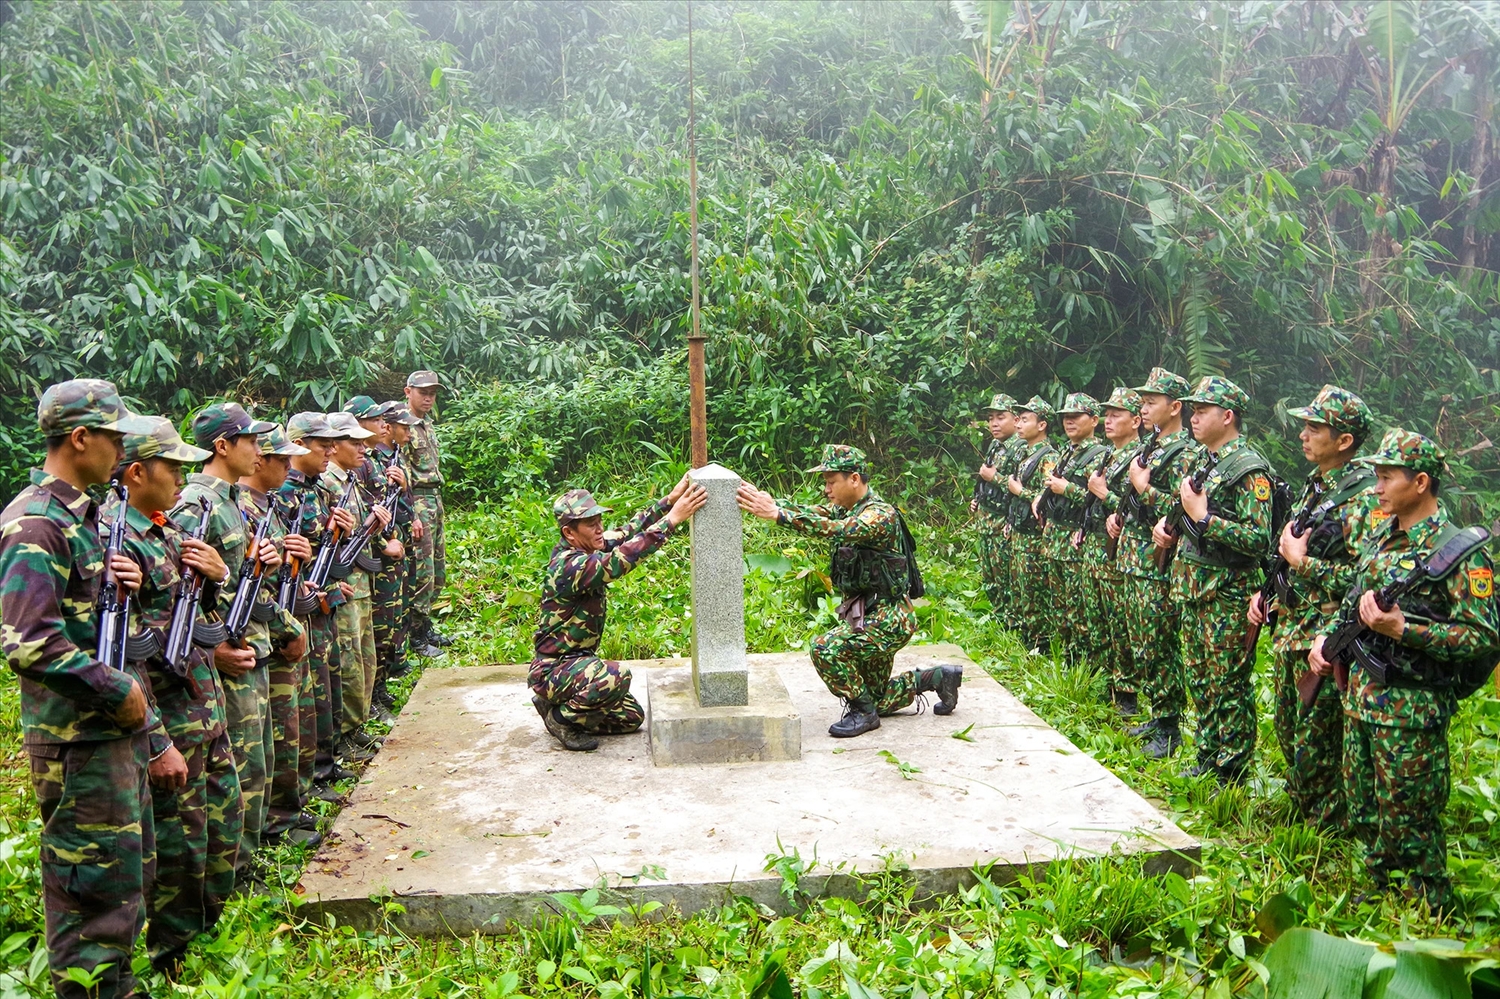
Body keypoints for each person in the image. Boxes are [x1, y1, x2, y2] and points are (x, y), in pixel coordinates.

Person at [0, 379, 156, 999]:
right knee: (88, 889)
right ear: (80, 437)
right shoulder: (36, 523)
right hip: (77, 740)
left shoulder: (84, 517)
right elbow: (28, 641)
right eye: (113, 436)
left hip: (102, 734)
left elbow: (81, 616)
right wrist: (115, 687)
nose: (122, 448)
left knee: (119, 877)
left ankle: (116, 985)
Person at [1309, 430, 1495, 910]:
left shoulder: (1459, 554)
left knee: (1410, 817)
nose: (1375, 488)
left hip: (1412, 709)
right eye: (1374, 477)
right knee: (1364, 808)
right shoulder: (1380, 536)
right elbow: (1353, 601)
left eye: (1386, 477)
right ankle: (1375, 891)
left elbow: (1483, 638)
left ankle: (1432, 909)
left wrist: (1403, 629)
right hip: (1361, 701)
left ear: (1420, 483)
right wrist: (1326, 641)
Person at [107, 418, 242, 976]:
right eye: (174, 468)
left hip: (205, 710)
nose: (183, 479)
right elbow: (121, 654)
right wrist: (158, 742)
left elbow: (201, 616)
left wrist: (216, 574)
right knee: (179, 850)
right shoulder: (115, 543)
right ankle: (175, 961)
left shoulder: (164, 531)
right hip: (170, 721)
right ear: (138, 473)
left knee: (220, 833)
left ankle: (212, 939)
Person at [738, 445, 961, 738]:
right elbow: (812, 512)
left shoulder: (878, 515)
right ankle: (937, 678)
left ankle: (862, 714)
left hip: (888, 619)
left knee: (825, 648)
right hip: (867, 615)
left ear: (854, 479)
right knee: (878, 698)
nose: (827, 488)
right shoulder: (849, 509)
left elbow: (839, 528)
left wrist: (778, 515)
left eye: (832, 482)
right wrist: (772, 503)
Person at [1249, 386, 1375, 827]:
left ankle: (1325, 829)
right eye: (1304, 425)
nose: (1303, 434)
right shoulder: (1318, 485)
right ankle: (1305, 808)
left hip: (1326, 632)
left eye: (1314, 427)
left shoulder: (1363, 497)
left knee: (1317, 737)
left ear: (1344, 440)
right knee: (1289, 727)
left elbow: (1369, 582)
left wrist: (1305, 564)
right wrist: (1267, 592)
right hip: (1293, 624)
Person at [170, 402, 283, 890]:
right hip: (222, 656)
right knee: (237, 767)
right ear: (222, 446)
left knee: (257, 761)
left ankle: (246, 863)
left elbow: (229, 580)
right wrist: (210, 649)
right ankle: (232, 874)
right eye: (251, 441)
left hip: (247, 644)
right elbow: (174, 596)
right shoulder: (194, 505)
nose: (259, 451)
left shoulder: (232, 500)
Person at [1152, 376, 1272, 784]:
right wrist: (1170, 529)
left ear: (1228, 416)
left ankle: (1232, 768)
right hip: (1193, 585)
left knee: (1228, 683)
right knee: (1200, 677)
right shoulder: (1204, 462)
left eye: (1202, 411)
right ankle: (1207, 755)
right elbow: (1186, 520)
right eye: (1193, 410)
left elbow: (1259, 539)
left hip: (1228, 592)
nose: (1194, 417)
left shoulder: (1249, 469)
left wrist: (1204, 518)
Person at [531, 477, 706, 750]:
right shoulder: (569, 566)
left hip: (577, 663)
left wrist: (668, 502)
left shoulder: (589, 546)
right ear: (569, 533)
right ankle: (561, 719)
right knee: (615, 675)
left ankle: (559, 704)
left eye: (600, 520)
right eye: (591, 524)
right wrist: (672, 520)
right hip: (556, 667)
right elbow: (619, 560)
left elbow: (628, 533)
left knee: (631, 718)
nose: (600, 529)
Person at [237, 424, 320, 849]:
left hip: (277, 626)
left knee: (290, 727)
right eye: (280, 459)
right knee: (271, 736)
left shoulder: (265, 506)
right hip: (257, 635)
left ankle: (288, 807)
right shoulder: (237, 509)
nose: (289, 467)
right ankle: (275, 821)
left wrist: (297, 560)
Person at [1115, 367, 1200, 756]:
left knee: (1160, 642)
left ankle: (1169, 726)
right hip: (1135, 555)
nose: (1144, 408)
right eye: (1143, 401)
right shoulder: (1151, 446)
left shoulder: (1185, 451)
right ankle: (1158, 713)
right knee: (1143, 641)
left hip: (1158, 562)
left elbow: (1184, 506)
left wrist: (1143, 488)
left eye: (1152, 402)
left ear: (1175, 407)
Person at [274, 413, 357, 801]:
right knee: (308, 699)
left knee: (326, 686)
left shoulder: (316, 488)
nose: (329, 449)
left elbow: (326, 550)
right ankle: (312, 776)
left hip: (321, 600)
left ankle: (325, 762)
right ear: (299, 444)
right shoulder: (284, 493)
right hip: (299, 606)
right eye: (321, 443)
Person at [321, 412, 391, 760]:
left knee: (365, 656)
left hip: (359, 581)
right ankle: (346, 732)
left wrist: (373, 526)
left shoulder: (348, 480)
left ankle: (358, 724)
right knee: (347, 661)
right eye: (354, 441)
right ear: (333, 446)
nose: (363, 448)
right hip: (343, 586)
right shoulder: (329, 484)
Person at [346, 397, 411, 723]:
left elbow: (384, 508)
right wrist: (386, 541)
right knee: (377, 630)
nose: (383, 424)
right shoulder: (353, 467)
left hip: (383, 551)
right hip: (369, 558)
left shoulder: (371, 460)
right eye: (374, 419)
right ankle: (369, 698)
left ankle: (378, 687)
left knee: (386, 627)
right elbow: (365, 515)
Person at [1084, 388, 1144, 712]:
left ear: (1136, 420)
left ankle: (1127, 692)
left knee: (1121, 623)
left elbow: (1138, 509)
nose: (1108, 420)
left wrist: (1104, 493)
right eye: (1106, 414)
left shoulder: (1140, 458)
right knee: (1100, 619)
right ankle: (1106, 679)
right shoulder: (1109, 454)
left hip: (1122, 552)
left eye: (1116, 414)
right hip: (1097, 546)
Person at [1038, 393, 1109, 661]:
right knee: (1060, 604)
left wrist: (1066, 488)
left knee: (1079, 606)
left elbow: (1098, 501)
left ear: (1093, 420)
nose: (1068, 421)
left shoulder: (1099, 455)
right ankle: (1066, 657)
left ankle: (1083, 662)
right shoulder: (1067, 451)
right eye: (1065, 417)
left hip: (1075, 538)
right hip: (1055, 535)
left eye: (1075, 416)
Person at [1004, 397, 1058, 650]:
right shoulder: (1025, 453)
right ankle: (1024, 636)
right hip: (1019, 530)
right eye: (1019, 419)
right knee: (1020, 587)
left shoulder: (1048, 457)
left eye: (1026, 420)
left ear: (1042, 425)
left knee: (1036, 589)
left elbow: (1044, 498)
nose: (1019, 424)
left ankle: (1041, 643)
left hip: (1034, 535)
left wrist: (1020, 491)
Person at [403, 370, 449, 651]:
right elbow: (404, 473)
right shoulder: (403, 426)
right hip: (418, 499)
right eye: (423, 392)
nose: (429, 397)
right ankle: (415, 634)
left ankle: (426, 625)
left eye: (432, 392)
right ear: (408, 392)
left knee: (438, 568)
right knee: (422, 570)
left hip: (435, 499)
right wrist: (413, 515)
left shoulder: (427, 423)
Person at [972, 394, 1019, 616]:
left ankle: (1009, 619)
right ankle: (998, 616)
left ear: (1016, 419)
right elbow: (984, 477)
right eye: (991, 418)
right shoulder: (995, 444)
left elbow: (1019, 488)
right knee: (989, 573)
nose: (994, 423)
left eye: (1001, 417)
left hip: (1003, 519)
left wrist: (994, 478)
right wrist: (977, 497)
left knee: (1005, 574)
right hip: (987, 517)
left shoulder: (1020, 447)